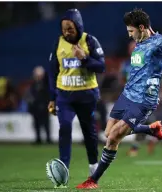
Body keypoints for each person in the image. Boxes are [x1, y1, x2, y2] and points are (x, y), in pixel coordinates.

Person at [76, 8, 162, 189]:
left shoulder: (160, 42)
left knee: (114, 137)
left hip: (143, 100)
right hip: (127, 95)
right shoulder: (138, 44)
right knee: (108, 133)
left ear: (142, 27)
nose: (130, 35)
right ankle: (149, 130)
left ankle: (93, 180)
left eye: (131, 31)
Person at [47, 8, 105, 185]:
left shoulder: (89, 41)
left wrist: (85, 58)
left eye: (70, 28)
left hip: (87, 95)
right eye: (64, 29)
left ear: (78, 27)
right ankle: (63, 169)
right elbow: (52, 71)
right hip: (64, 96)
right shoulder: (58, 43)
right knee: (64, 127)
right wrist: (52, 97)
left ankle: (93, 166)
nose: (66, 32)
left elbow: (101, 67)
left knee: (89, 132)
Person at [27, 66, 51, 144]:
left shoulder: (46, 83)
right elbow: (31, 95)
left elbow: (47, 94)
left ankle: (48, 139)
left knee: (46, 123)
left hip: (44, 106)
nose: (36, 76)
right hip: (35, 107)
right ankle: (38, 139)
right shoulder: (33, 84)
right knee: (36, 124)